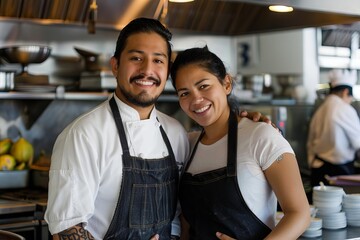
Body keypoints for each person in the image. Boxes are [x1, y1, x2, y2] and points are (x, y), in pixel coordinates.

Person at [44, 18, 269, 240]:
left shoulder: (176, 133)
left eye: (158, 61)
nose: (147, 70)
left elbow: (176, 217)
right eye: (136, 58)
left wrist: (246, 124)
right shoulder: (84, 134)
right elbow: (66, 228)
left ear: (167, 71)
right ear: (115, 65)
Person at [170, 46, 310, 240]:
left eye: (203, 86)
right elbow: (186, 221)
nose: (196, 99)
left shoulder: (260, 135)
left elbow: (299, 214)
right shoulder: (187, 145)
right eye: (184, 93)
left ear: (226, 83)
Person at [307, 69, 360, 189]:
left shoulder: (321, 109)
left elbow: (310, 142)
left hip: (318, 169)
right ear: (346, 92)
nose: (350, 100)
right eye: (350, 97)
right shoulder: (344, 108)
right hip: (338, 173)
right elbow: (358, 142)